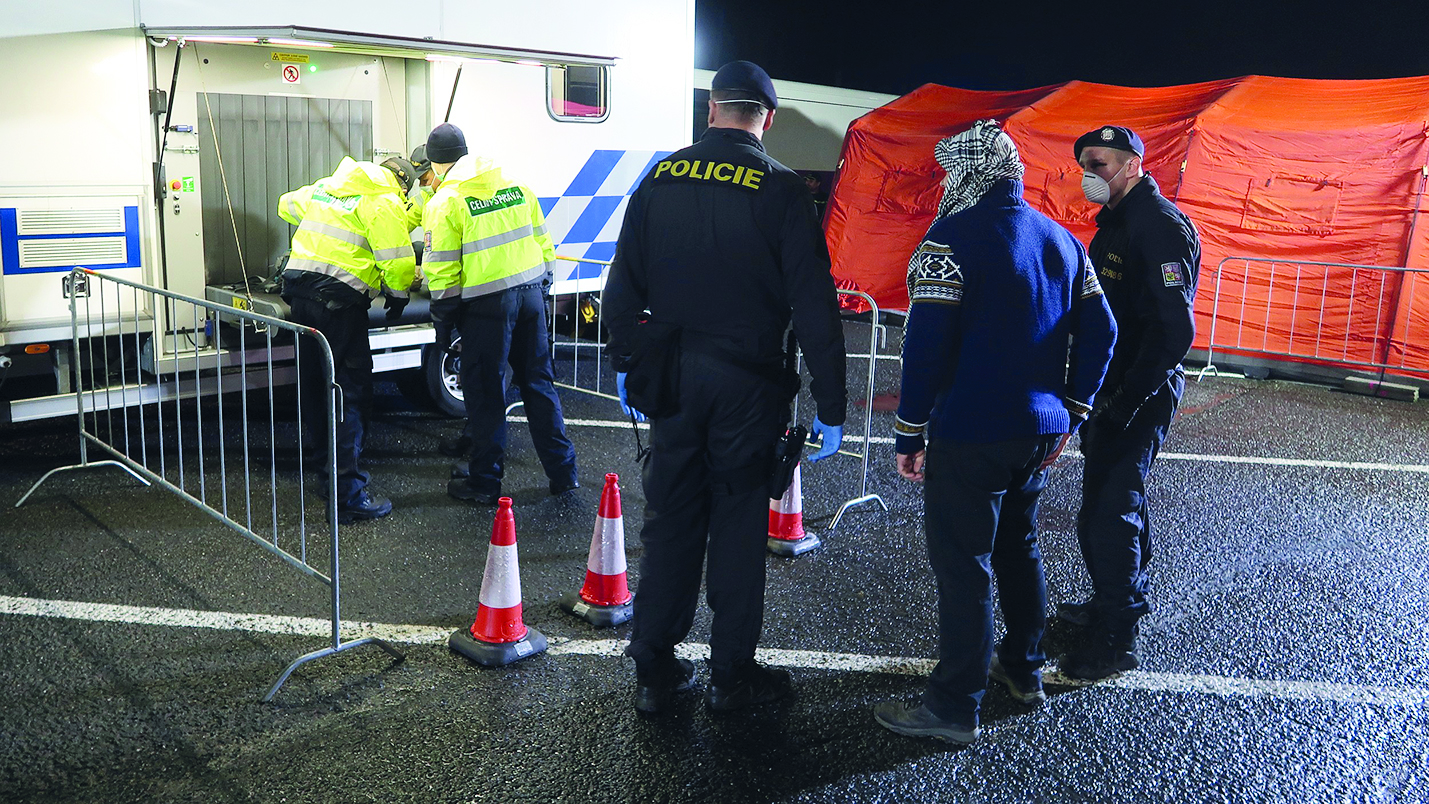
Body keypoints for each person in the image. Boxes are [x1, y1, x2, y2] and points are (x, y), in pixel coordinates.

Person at [603, 60, 848, 715]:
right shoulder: (781, 188)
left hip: (673, 377)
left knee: (670, 521)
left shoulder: (660, 176)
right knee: (737, 525)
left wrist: (628, 361)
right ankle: (732, 676)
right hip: (748, 383)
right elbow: (813, 304)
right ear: (768, 118)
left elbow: (621, 285)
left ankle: (654, 668)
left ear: (711, 110)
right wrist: (830, 402)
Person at [871, 119, 1117, 746]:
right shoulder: (1062, 240)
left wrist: (909, 432)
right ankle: (1023, 670)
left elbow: (926, 346)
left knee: (965, 566)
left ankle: (955, 705)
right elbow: (1104, 331)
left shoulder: (950, 239)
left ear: (968, 173)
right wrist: (1073, 410)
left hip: (970, 429)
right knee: (1018, 548)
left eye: (951, 173)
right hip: (1039, 431)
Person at [1057, 125, 1200, 680]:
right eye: (1084, 166)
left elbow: (1175, 331)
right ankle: (1111, 601)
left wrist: (1123, 401)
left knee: (1109, 512)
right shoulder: (1116, 222)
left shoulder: (1157, 225)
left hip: (1139, 390)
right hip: (1112, 387)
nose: (1089, 175)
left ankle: (1116, 639)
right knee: (1111, 504)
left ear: (1133, 164)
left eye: (1099, 164)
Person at [422, 122, 579, 504]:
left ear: (436, 164)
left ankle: (485, 482)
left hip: (487, 308)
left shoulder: (445, 202)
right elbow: (544, 243)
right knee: (538, 385)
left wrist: (444, 323)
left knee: (486, 393)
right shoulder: (516, 186)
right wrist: (541, 289)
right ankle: (564, 473)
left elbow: (441, 270)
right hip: (531, 297)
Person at [278, 156, 418, 522]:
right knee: (349, 393)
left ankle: (327, 476)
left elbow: (285, 204)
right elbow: (399, 262)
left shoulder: (328, 187)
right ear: (401, 184)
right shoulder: (384, 200)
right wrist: (398, 295)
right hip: (339, 307)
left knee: (316, 388)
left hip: (300, 297)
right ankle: (348, 496)